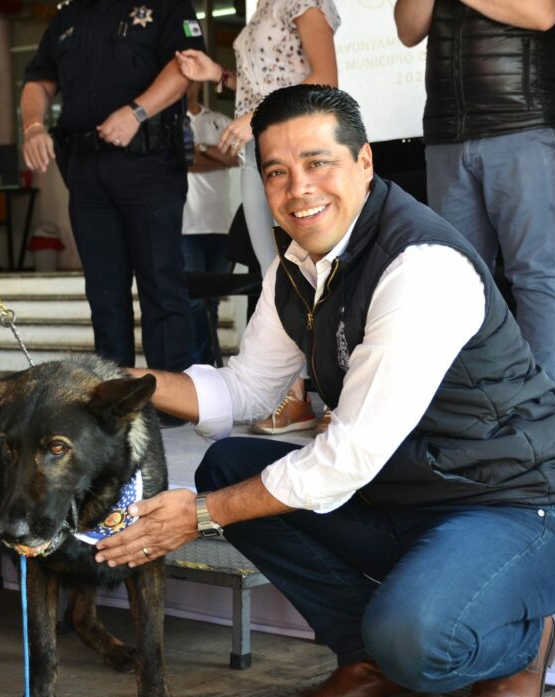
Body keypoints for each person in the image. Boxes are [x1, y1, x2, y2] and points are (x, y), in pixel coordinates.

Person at [98, 85, 555, 697]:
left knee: (418, 642)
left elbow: (343, 461)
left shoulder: (420, 268)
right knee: (228, 466)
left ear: (364, 163)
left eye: (318, 162)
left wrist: (200, 514)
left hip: (514, 506)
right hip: (405, 498)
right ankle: (370, 661)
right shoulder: (297, 267)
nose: (297, 188)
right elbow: (248, 391)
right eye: (276, 171)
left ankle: (518, 645)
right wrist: (122, 383)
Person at [19, 0, 204, 408]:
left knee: (161, 285)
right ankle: (115, 402)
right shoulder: (67, 18)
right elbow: (38, 82)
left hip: (149, 162)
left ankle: (171, 402)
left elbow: (187, 66)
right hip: (85, 169)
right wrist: (33, 128)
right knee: (104, 291)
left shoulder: (166, 5)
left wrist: (138, 111)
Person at [176, 0, 338, 435]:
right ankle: (296, 395)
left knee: (319, 269)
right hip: (258, 150)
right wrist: (219, 76)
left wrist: (255, 117)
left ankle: (338, 396)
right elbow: (268, 78)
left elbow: (325, 76)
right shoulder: (261, 9)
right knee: (280, 273)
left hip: (297, 146)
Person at [394, 0, 555, 389]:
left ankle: (538, 412)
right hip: (447, 133)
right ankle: (472, 409)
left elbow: (543, 14)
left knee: (534, 273)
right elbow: (408, 29)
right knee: (454, 282)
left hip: (524, 122)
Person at [181, 80, 240, 366]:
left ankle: (209, 364)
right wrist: (214, 155)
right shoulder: (167, 124)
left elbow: (237, 157)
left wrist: (199, 148)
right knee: (193, 303)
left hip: (220, 225)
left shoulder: (219, 120)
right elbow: (183, 161)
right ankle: (199, 367)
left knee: (212, 302)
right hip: (185, 228)